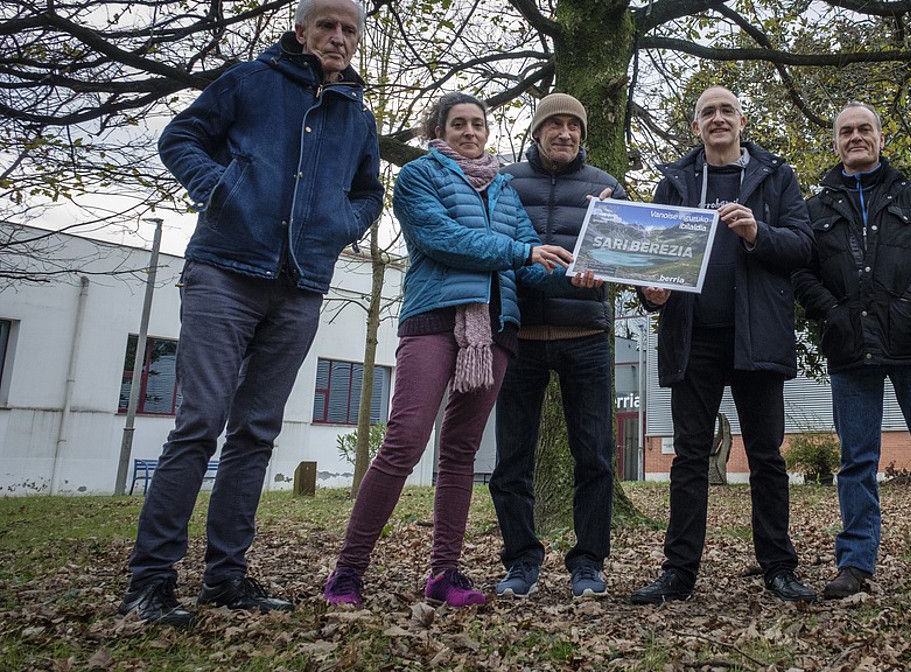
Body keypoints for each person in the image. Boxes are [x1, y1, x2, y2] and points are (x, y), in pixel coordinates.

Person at [124, 0, 384, 625]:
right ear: (301, 33)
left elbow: (369, 194)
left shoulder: (358, 115)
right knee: (199, 422)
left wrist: (333, 225)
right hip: (225, 270)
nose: (339, 38)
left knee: (256, 430)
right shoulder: (248, 82)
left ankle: (225, 576)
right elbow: (180, 136)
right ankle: (150, 581)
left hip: (301, 284)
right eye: (327, 26)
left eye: (349, 30)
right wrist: (217, 187)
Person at [322, 93, 575, 608]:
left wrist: (575, 271)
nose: (469, 132)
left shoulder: (504, 190)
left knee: (459, 453)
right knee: (405, 441)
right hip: (434, 320)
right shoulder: (417, 177)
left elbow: (526, 265)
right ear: (437, 129)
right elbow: (442, 239)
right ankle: (347, 570)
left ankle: (445, 573)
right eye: (457, 124)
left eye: (477, 124)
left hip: (497, 328)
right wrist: (522, 251)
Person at [629, 86, 819, 605]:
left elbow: (803, 245)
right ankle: (679, 573)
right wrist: (651, 292)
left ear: (741, 121)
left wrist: (758, 233)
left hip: (757, 338)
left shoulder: (776, 177)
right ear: (696, 127)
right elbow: (651, 260)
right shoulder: (674, 182)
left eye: (726, 111)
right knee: (690, 456)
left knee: (766, 455)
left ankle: (779, 568)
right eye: (707, 112)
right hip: (694, 340)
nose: (718, 119)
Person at [793, 103, 911, 599]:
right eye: (846, 132)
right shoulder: (815, 210)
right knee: (857, 461)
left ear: (881, 138)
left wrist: (910, 304)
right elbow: (800, 272)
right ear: (835, 144)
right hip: (849, 348)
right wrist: (832, 314)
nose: (856, 137)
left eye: (865, 129)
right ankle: (854, 563)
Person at [489, 93, 621, 599]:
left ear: (582, 135)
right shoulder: (505, 183)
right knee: (511, 460)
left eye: (573, 126)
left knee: (596, 458)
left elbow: (623, 257)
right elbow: (493, 245)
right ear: (537, 132)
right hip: (517, 336)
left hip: (585, 336)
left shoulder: (606, 187)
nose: (564, 133)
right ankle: (521, 560)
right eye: (554, 125)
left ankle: (588, 563)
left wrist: (602, 272)